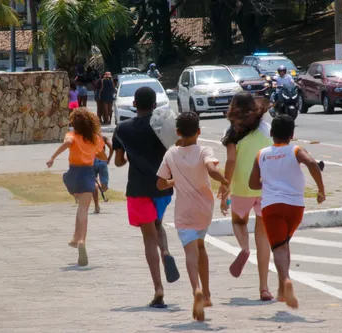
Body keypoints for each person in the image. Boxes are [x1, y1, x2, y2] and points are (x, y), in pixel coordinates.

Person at [112, 86, 180, 308]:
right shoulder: (162, 126)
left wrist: (131, 157)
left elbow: (119, 162)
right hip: (163, 187)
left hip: (138, 188)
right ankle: (167, 251)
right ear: (154, 105)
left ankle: (158, 289)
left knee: (148, 237)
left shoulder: (122, 129)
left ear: (134, 104)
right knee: (158, 225)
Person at [249, 114, 326, 309]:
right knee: (284, 243)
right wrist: (321, 189)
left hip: (271, 206)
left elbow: (251, 183)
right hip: (295, 207)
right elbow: (311, 163)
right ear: (292, 134)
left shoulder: (261, 154)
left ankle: (285, 281)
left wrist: (268, 181)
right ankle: (282, 291)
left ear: (272, 133)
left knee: (279, 247)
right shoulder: (296, 150)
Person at [157, 112, 228, 321]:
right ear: (199, 131)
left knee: (190, 252)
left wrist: (175, 181)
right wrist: (225, 182)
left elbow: (160, 184)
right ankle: (206, 294)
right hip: (204, 210)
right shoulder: (204, 149)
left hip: (184, 212)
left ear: (178, 132)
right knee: (201, 246)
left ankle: (196, 289)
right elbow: (211, 170)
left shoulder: (170, 153)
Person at [218, 91, 273, 301]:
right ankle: (264, 288)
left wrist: (225, 188)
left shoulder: (232, 132)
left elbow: (231, 161)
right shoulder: (267, 129)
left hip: (242, 187)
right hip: (264, 187)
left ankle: (243, 248)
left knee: (238, 221)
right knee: (263, 238)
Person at [46, 108, 104, 267]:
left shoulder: (71, 135)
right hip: (87, 174)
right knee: (83, 210)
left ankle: (74, 237)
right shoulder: (95, 139)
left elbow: (68, 143)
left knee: (80, 208)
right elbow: (101, 153)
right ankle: (82, 241)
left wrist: (53, 157)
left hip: (73, 174)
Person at [93, 133, 113, 214]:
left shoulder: (86, 137)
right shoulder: (103, 137)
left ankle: (96, 206)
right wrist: (109, 158)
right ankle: (99, 187)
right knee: (104, 187)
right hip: (102, 161)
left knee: (93, 185)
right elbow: (111, 147)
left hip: (92, 161)